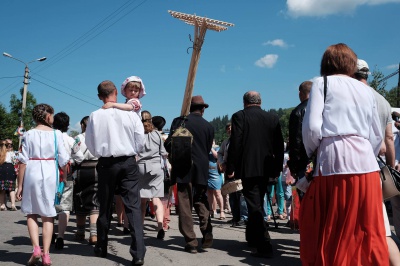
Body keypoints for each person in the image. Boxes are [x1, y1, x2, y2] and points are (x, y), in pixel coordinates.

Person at [300, 43, 388, 265]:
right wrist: (368, 153)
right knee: (366, 227)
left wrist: (313, 151)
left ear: (326, 63)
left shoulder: (322, 84)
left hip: (333, 161)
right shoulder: (366, 90)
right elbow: (376, 133)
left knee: (333, 226)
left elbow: (311, 127)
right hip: (366, 163)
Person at [85, 80, 146, 265]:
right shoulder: (132, 114)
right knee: (133, 206)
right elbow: (140, 141)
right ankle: (138, 253)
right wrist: (131, 152)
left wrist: (102, 154)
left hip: (106, 162)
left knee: (104, 204)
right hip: (128, 161)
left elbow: (90, 144)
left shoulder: (95, 115)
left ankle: (102, 246)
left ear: (99, 96)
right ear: (116, 94)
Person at [226, 91, 284, 258]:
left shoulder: (239, 116)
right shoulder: (272, 118)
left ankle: (264, 244)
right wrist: (277, 168)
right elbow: (279, 145)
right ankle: (252, 237)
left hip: (248, 168)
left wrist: (231, 167)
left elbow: (236, 144)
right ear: (260, 101)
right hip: (267, 168)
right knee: (256, 202)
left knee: (254, 205)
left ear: (244, 102)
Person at [355, 58, 400, 266]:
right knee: (382, 224)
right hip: (378, 168)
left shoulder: (354, 96)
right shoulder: (382, 99)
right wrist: (390, 168)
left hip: (357, 167)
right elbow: (389, 138)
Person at [16, 104, 69, 266]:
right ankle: (46, 254)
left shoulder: (28, 134)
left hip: (32, 170)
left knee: (31, 213)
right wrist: (64, 179)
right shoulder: (57, 134)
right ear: (48, 117)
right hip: (50, 172)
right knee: (48, 215)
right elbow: (64, 159)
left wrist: (20, 185)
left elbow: (23, 160)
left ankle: (36, 249)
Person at [164, 95, 214, 254]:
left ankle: (191, 242)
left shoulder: (179, 122)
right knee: (200, 198)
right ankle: (206, 228)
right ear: (203, 109)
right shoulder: (208, 126)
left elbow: (168, 145)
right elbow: (207, 149)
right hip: (201, 167)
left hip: (183, 166)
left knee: (185, 204)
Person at [52, 111, 83, 250]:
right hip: (67, 173)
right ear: (68, 125)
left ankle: (50, 232)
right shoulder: (71, 140)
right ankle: (61, 236)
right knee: (64, 206)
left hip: (49, 172)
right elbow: (80, 157)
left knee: (49, 204)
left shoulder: (49, 137)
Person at [137, 110, 168, 240]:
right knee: (156, 199)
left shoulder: (138, 134)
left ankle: (140, 228)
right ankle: (160, 226)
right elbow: (164, 153)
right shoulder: (156, 134)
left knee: (142, 200)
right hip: (156, 167)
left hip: (141, 167)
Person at [72, 115, 100, 245]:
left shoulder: (77, 138)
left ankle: (80, 232)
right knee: (95, 201)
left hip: (80, 170)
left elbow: (73, 155)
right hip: (96, 169)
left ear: (83, 126)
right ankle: (94, 234)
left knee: (80, 199)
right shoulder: (100, 137)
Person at [287, 81, 311, 201]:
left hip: (303, 161)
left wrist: (294, 167)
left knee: (305, 197)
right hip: (321, 161)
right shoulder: (325, 108)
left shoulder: (298, 112)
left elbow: (296, 140)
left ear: (300, 93)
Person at [152, 115, 174, 232]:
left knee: (157, 197)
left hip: (154, 168)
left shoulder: (151, 136)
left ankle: (161, 222)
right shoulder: (166, 137)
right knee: (166, 197)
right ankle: (165, 221)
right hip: (166, 169)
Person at [207, 140, 225, 220]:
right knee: (209, 192)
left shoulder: (217, 148)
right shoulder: (205, 148)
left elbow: (216, 156)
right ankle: (211, 210)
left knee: (218, 193)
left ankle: (222, 211)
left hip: (215, 173)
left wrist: (210, 147)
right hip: (207, 173)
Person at [0, 139, 18, 211]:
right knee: (11, 189)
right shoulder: (11, 153)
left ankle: (2, 205)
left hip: (2, 169)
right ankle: (13, 204)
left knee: (2, 189)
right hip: (10, 169)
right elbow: (14, 161)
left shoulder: (1, 153)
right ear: (8, 146)